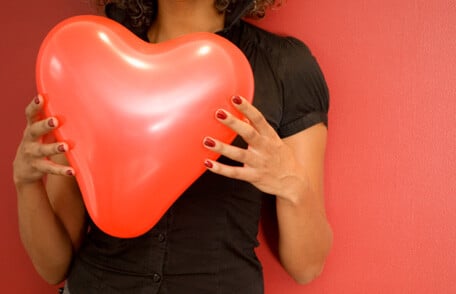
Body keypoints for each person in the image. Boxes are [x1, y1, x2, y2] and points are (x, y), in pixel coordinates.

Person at [13, 0, 333, 293]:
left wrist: (292, 182)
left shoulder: (284, 67)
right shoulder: (88, 58)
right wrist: (26, 182)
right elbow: (53, 267)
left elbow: (306, 267)